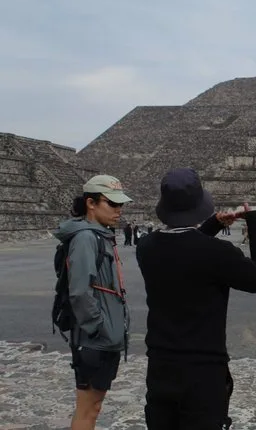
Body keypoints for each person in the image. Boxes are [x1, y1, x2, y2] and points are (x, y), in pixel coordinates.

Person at [136, 168, 256, 430]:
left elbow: (185, 251)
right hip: (203, 371)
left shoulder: (146, 248)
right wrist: (254, 222)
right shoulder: (218, 253)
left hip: (160, 367)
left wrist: (212, 225)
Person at [53, 175, 132, 430]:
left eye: (120, 204)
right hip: (94, 338)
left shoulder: (98, 235)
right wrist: (99, 327)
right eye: (112, 203)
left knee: (93, 407)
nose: (118, 210)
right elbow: (79, 292)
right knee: (88, 408)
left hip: (101, 336)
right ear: (91, 203)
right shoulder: (86, 238)